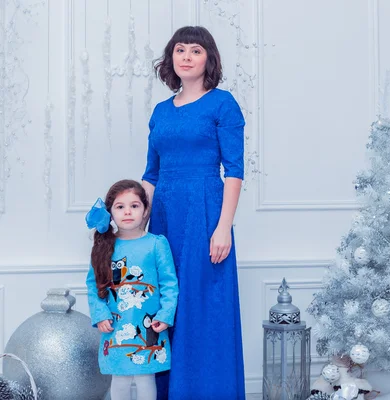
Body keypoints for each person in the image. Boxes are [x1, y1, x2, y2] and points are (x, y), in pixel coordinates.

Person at [141, 26, 246, 399]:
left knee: (203, 305)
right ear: (171, 58)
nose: (186, 56)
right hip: (166, 215)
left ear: (208, 59)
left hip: (205, 213)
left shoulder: (223, 104)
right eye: (180, 49)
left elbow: (234, 171)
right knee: (167, 302)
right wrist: (135, 227)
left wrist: (223, 229)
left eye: (196, 50)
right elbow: (151, 176)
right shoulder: (159, 112)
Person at [85, 180, 179, 400]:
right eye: (120, 207)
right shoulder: (104, 247)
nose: (127, 211)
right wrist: (100, 315)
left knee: (146, 376)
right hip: (117, 324)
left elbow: (169, 283)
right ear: (110, 213)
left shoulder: (156, 244)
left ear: (145, 210)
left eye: (134, 206)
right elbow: (93, 283)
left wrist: (165, 315)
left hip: (148, 324)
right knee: (120, 377)